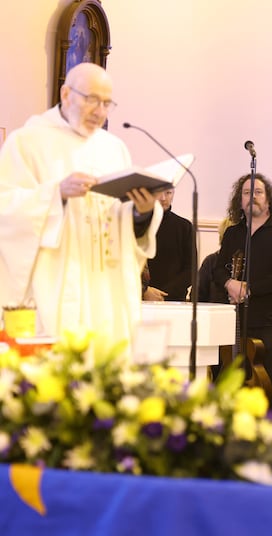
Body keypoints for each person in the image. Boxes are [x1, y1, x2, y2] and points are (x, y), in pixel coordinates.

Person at [0, 62, 162, 344]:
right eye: (91, 100)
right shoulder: (27, 142)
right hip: (55, 282)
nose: (99, 111)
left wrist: (142, 212)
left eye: (107, 103)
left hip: (106, 287)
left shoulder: (114, 149)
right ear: (65, 94)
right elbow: (6, 209)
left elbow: (124, 223)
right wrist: (56, 193)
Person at [213, 173, 272, 421]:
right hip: (235, 323)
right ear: (240, 201)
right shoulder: (233, 233)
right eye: (247, 193)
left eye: (258, 192)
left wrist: (248, 289)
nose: (253, 197)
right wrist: (229, 283)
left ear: (268, 198)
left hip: (267, 323)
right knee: (231, 388)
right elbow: (218, 269)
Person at [143, 188, 193, 302]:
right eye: (159, 193)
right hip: (142, 296)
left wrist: (163, 294)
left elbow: (191, 269)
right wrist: (145, 290)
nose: (163, 198)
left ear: (173, 194)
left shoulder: (184, 227)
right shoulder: (139, 224)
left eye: (168, 193)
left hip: (174, 299)